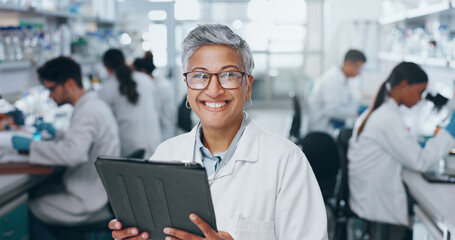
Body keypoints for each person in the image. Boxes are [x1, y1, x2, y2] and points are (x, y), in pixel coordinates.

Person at [109, 24, 328, 240]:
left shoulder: (287, 162)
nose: (213, 90)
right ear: (187, 85)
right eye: (200, 76)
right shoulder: (166, 154)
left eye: (229, 75)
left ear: (248, 85)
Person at [10, 56, 120, 239]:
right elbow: (83, 142)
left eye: (52, 89)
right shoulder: (92, 105)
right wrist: (58, 134)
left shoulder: (88, 110)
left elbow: (73, 154)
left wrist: (32, 146)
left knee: (29, 207)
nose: (50, 95)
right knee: (40, 192)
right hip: (98, 192)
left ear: (69, 83)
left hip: (89, 200)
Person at [348, 62, 455, 236]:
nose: (420, 99)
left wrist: (417, 146)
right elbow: (420, 162)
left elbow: (405, 150)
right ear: (404, 85)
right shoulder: (387, 118)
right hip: (379, 206)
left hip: (369, 199)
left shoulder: (382, 110)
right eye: (419, 92)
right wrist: (450, 132)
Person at [99, 49, 162, 158]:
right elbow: (156, 109)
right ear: (124, 61)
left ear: (107, 67)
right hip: (154, 141)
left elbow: (105, 124)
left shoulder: (107, 89)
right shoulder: (145, 79)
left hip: (130, 148)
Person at [308, 49, 367, 135]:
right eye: (358, 68)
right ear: (348, 63)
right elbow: (331, 111)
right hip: (323, 131)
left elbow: (347, 103)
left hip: (331, 126)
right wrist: (356, 112)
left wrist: (356, 109)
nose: (359, 72)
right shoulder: (332, 81)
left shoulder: (343, 80)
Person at [133, 52, 177, 140]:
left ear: (142, 72)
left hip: (165, 138)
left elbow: (167, 120)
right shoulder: (148, 86)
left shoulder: (162, 86)